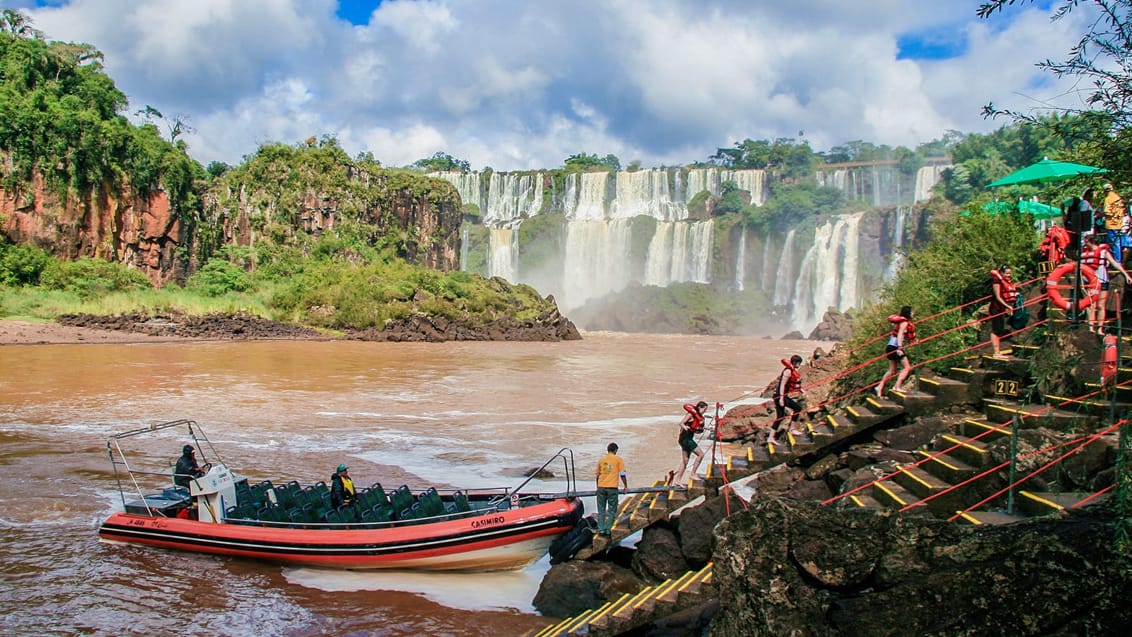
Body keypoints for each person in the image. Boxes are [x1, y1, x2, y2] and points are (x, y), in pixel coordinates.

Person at [1081, 233, 1130, 334]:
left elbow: (1115, 263)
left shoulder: (1103, 252)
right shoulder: (1084, 253)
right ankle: (1090, 328)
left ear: (1092, 242)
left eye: (1086, 241)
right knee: (1091, 305)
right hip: (1090, 282)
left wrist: (1126, 275)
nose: (1084, 244)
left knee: (1100, 306)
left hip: (1102, 281)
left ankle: (1100, 329)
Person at [876, 307, 915, 395]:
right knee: (907, 367)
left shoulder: (899, 322)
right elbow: (900, 334)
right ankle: (897, 386)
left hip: (890, 346)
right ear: (908, 313)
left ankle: (879, 387)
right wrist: (900, 348)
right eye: (912, 312)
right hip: (896, 347)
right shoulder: (904, 322)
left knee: (892, 370)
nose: (913, 313)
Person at [668, 401, 708, 487]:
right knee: (701, 454)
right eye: (704, 409)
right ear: (700, 407)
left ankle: (677, 480)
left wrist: (707, 428)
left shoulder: (698, 417)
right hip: (686, 439)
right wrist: (685, 427)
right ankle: (693, 474)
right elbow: (681, 423)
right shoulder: (690, 414)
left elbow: (696, 427)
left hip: (686, 439)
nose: (705, 411)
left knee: (685, 461)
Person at [769, 355, 805, 445]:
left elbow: (792, 383)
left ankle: (770, 437)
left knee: (780, 416)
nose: (799, 365)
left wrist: (800, 389)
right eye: (799, 363)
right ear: (796, 363)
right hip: (779, 395)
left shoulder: (791, 370)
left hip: (780, 395)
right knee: (797, 408)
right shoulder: (788, 371)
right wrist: (781, 398)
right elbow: (782, 385)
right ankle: (792, 429)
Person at [594, 442, 627, 537]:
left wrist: (598, 487)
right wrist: (625, 486)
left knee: (601, 510)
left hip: (601, 487)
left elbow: (597, 475)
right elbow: (622, 474)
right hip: (612, 488)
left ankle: (600, 529)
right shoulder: (618, 459)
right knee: (612, 510)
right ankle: (608, 530)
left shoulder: (601, 460)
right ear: (615, 450)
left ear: (607, 450)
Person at [989, 266, 1018, 358]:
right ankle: (996, 353)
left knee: (1000, 329)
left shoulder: (1007, 282)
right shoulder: (997, 282)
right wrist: (1008, 306)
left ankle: (998, 352)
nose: (1009, 275)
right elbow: (998, 297)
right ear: (1001, 273)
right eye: (1007, 273)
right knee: (996, 330)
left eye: (1010, 273)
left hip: (1002, 308)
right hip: (995, 308)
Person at [1102, 183, 1126, 263]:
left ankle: (1116, 262)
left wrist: (1102, 215)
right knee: (1118, 244)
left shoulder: (1108, 199)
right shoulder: (1118, 197)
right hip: (1119, 224)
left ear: (1105, 191)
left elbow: (1107, 211)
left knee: (1112, 244)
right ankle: (1118, 261)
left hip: (1111, 224)